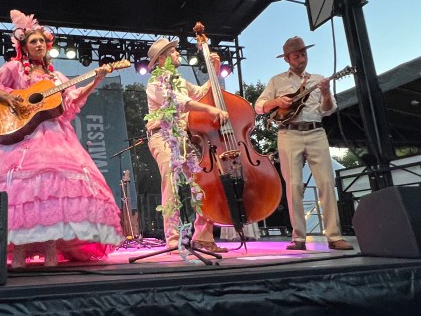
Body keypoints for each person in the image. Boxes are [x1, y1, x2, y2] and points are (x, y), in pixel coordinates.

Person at [0, 10, 124, 268]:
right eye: (33, 41)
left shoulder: (56, 78)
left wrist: (96, 80)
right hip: (18, 133)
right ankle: (20, 249)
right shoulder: (14, 67)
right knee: (17, 191)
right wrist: (11, 97)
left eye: (42, 42)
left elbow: (71, 102)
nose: (38, 45)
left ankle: (50, 247)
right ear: (23, 46)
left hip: (54, 136)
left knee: (52, 190)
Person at [254, 36, 354, 251]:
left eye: (303, 54)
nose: (301, 58)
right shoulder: (277, 80)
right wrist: (277, 102)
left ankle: (334, 236)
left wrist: (326, 93)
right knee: (294, 185)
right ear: (287, 59)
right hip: (288, 134)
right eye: (296, 55)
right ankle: (298, 237)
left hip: (316, 131)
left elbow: (328, 110)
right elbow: (259, 106)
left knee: (327, 183)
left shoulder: (318, 80)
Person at [145, 38, 230, 253]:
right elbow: (179, 102)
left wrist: (215, 70)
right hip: (162, 137)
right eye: (173, 51)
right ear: (162, 59)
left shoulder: (180, 80)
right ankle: (173, 241)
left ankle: (203, 237)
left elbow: (201, 92)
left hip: (184, 137)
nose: (178, 53)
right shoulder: (155, 83)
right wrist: (211, 111)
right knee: (171, 185)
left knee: (202, 183)